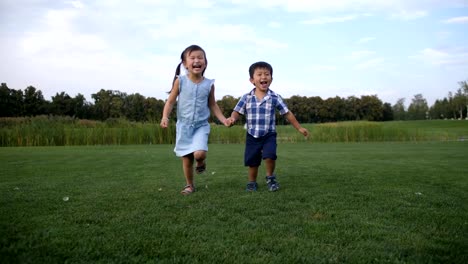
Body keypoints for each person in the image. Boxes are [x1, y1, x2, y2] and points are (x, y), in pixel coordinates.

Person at [228, 61, 309, 192]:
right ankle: (252, 182)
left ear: (271, 78)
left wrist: (299, 128)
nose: (263, 77)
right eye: (259, 74)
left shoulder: (274, 97)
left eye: (267, 74)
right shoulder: (246, 97)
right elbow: (237, 111)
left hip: (269, 134)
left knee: (270, 155)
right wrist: (232, 118)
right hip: (252, 135)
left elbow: (287, 113)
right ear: (252, 80)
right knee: (252, 161)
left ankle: (270, 178)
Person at [160, 44, 230, 195]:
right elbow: (170, 101)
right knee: (186, 158)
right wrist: (165, 116)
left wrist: (223, 119)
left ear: (205, 62)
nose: (196, 60)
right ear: (185, 64)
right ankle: (189, 185)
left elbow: (212, 104)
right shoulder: (180, 81)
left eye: (200, 57)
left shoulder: (209, 84)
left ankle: (201, 162)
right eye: (192, 58)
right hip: (184, 126)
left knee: (199, 153)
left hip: (201, 125)